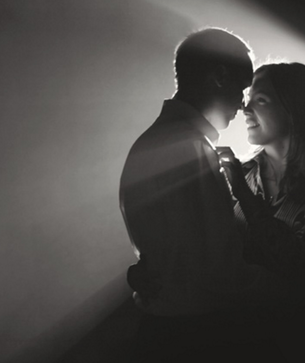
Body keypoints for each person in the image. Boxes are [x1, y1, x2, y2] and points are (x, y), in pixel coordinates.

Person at [130, 61, 305, 359]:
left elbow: (298, 267)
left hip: (294, 342)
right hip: (229, 341)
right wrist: (150, 270)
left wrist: (243, 195)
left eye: (260, 100)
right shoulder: (239, 173)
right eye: (247, 97)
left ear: (295, 108)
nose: (245, 108)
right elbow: (203, 249)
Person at [119, 27, 269, 362]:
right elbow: (216, 262)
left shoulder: (153, 141)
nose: (242, 104)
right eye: (242, 88)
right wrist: (276, 284)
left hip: (168, 325)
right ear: (219, 77)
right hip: (194, 334)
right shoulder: (189, 148)